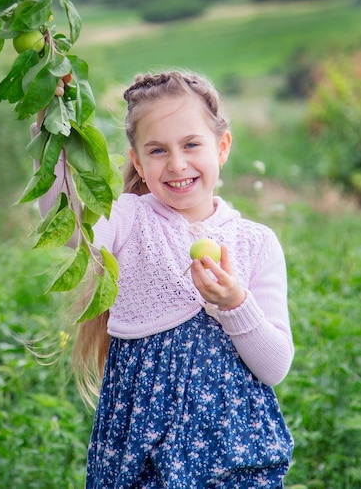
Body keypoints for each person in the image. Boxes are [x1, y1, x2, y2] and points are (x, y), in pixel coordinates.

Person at [36, 69, 294, 488]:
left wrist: (234, 304)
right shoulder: (127, 220)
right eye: (157, 150)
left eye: (192, 144)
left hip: (233, 451)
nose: (177, 164)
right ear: (137, 160)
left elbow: (275, 366)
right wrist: (51, 127)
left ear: (222, 147)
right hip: (142, 448)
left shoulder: (255, 243)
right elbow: (69, 228)